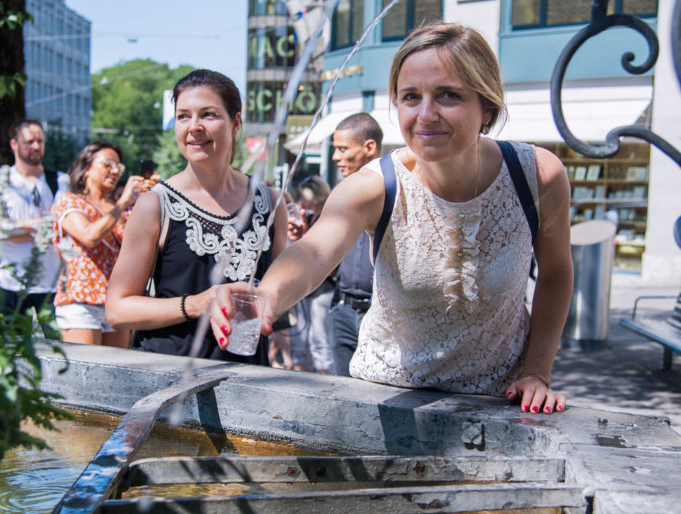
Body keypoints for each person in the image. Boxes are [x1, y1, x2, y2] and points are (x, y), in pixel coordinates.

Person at [211, 22, 573, 414]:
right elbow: (314, 253)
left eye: (448, 95)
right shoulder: (374, 186)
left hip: (500, 401)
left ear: (487, 106)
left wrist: (538, 372)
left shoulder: (537, 175)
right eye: (410, 97)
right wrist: (266, 295)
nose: (426, 114)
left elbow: (556, 273)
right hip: (387, 400)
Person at [105, 69, 288, 360]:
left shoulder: (271, 203)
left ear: (235, 123)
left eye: (208, 115)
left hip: (248, 383)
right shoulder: (155, 205)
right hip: (171, 382)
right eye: (183, 116)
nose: (194, 127)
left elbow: (283, 298)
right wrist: (199, 303)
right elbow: (117, 310)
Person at [53, 142, 149, 347]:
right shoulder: (70, 201)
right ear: (86, 168)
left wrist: (147, 201)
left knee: (115, 375)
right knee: (84, 375)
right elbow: (89, 236)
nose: (115, 171)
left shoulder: (121, 210)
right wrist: (123, 203)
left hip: (117, 302)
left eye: (119, 167)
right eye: (108, 164)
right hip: (80, 301)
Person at [0, 118, 70, 335]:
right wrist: (37, 225)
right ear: (14, 144)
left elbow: (60, 227)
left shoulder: (60, 181)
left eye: (40, 141)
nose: (36, 147)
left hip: (50, 283)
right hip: (7, 282)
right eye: (29, 141)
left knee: (60, 348)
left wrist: (14, 227)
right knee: (8, 352)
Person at [329, 112, 383, 375]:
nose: (335, 157)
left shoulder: (393, 192)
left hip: (379, 315)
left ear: (368, 148)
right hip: (342, 310)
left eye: (342, 149)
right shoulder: (339, 195)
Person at [293, 175, 335, 373]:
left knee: (320, 341)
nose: (301, 201)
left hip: (323, 289)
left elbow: (330, 265)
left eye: (304, 196)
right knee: (300, 340)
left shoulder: (328, 219)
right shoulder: (308, 218)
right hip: (304, 288)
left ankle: (323, 383)